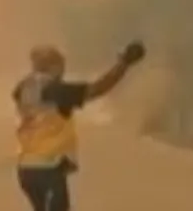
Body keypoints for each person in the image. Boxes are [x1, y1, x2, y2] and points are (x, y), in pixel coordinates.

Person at [13, 41, 146, 211]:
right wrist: (123, 64)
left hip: (26, 168)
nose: (63, 72)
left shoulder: (23, 88)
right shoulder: (55, 90)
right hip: (48, 166)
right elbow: (99, 88)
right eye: (61, 66)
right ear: (54, 67)